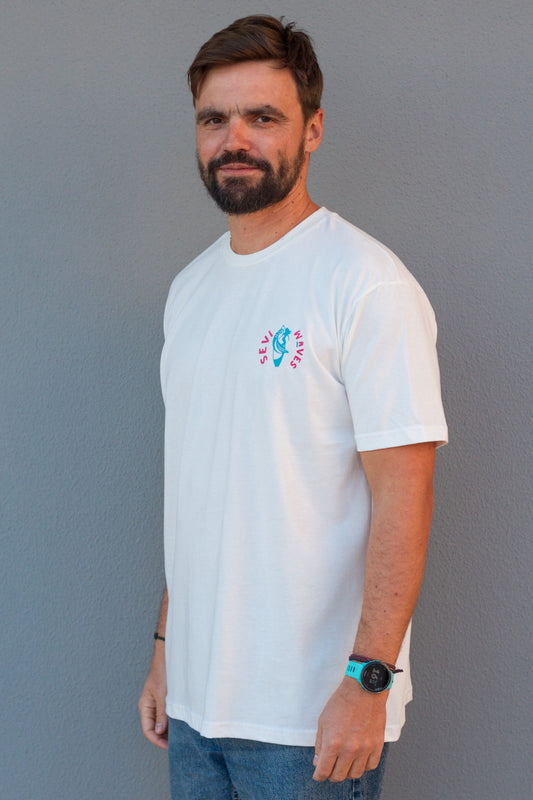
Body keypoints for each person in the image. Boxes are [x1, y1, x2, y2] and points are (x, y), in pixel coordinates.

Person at [139, 15, 448, 800]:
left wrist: (369, 682)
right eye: (215, 119)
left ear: (311, 131)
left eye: (262, 117)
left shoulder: (365, 286)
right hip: (196, 711)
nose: (234, 139)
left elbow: (403, 495)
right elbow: (201, 486)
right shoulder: (190, 292)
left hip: (310, 721)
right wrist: (165, 650)